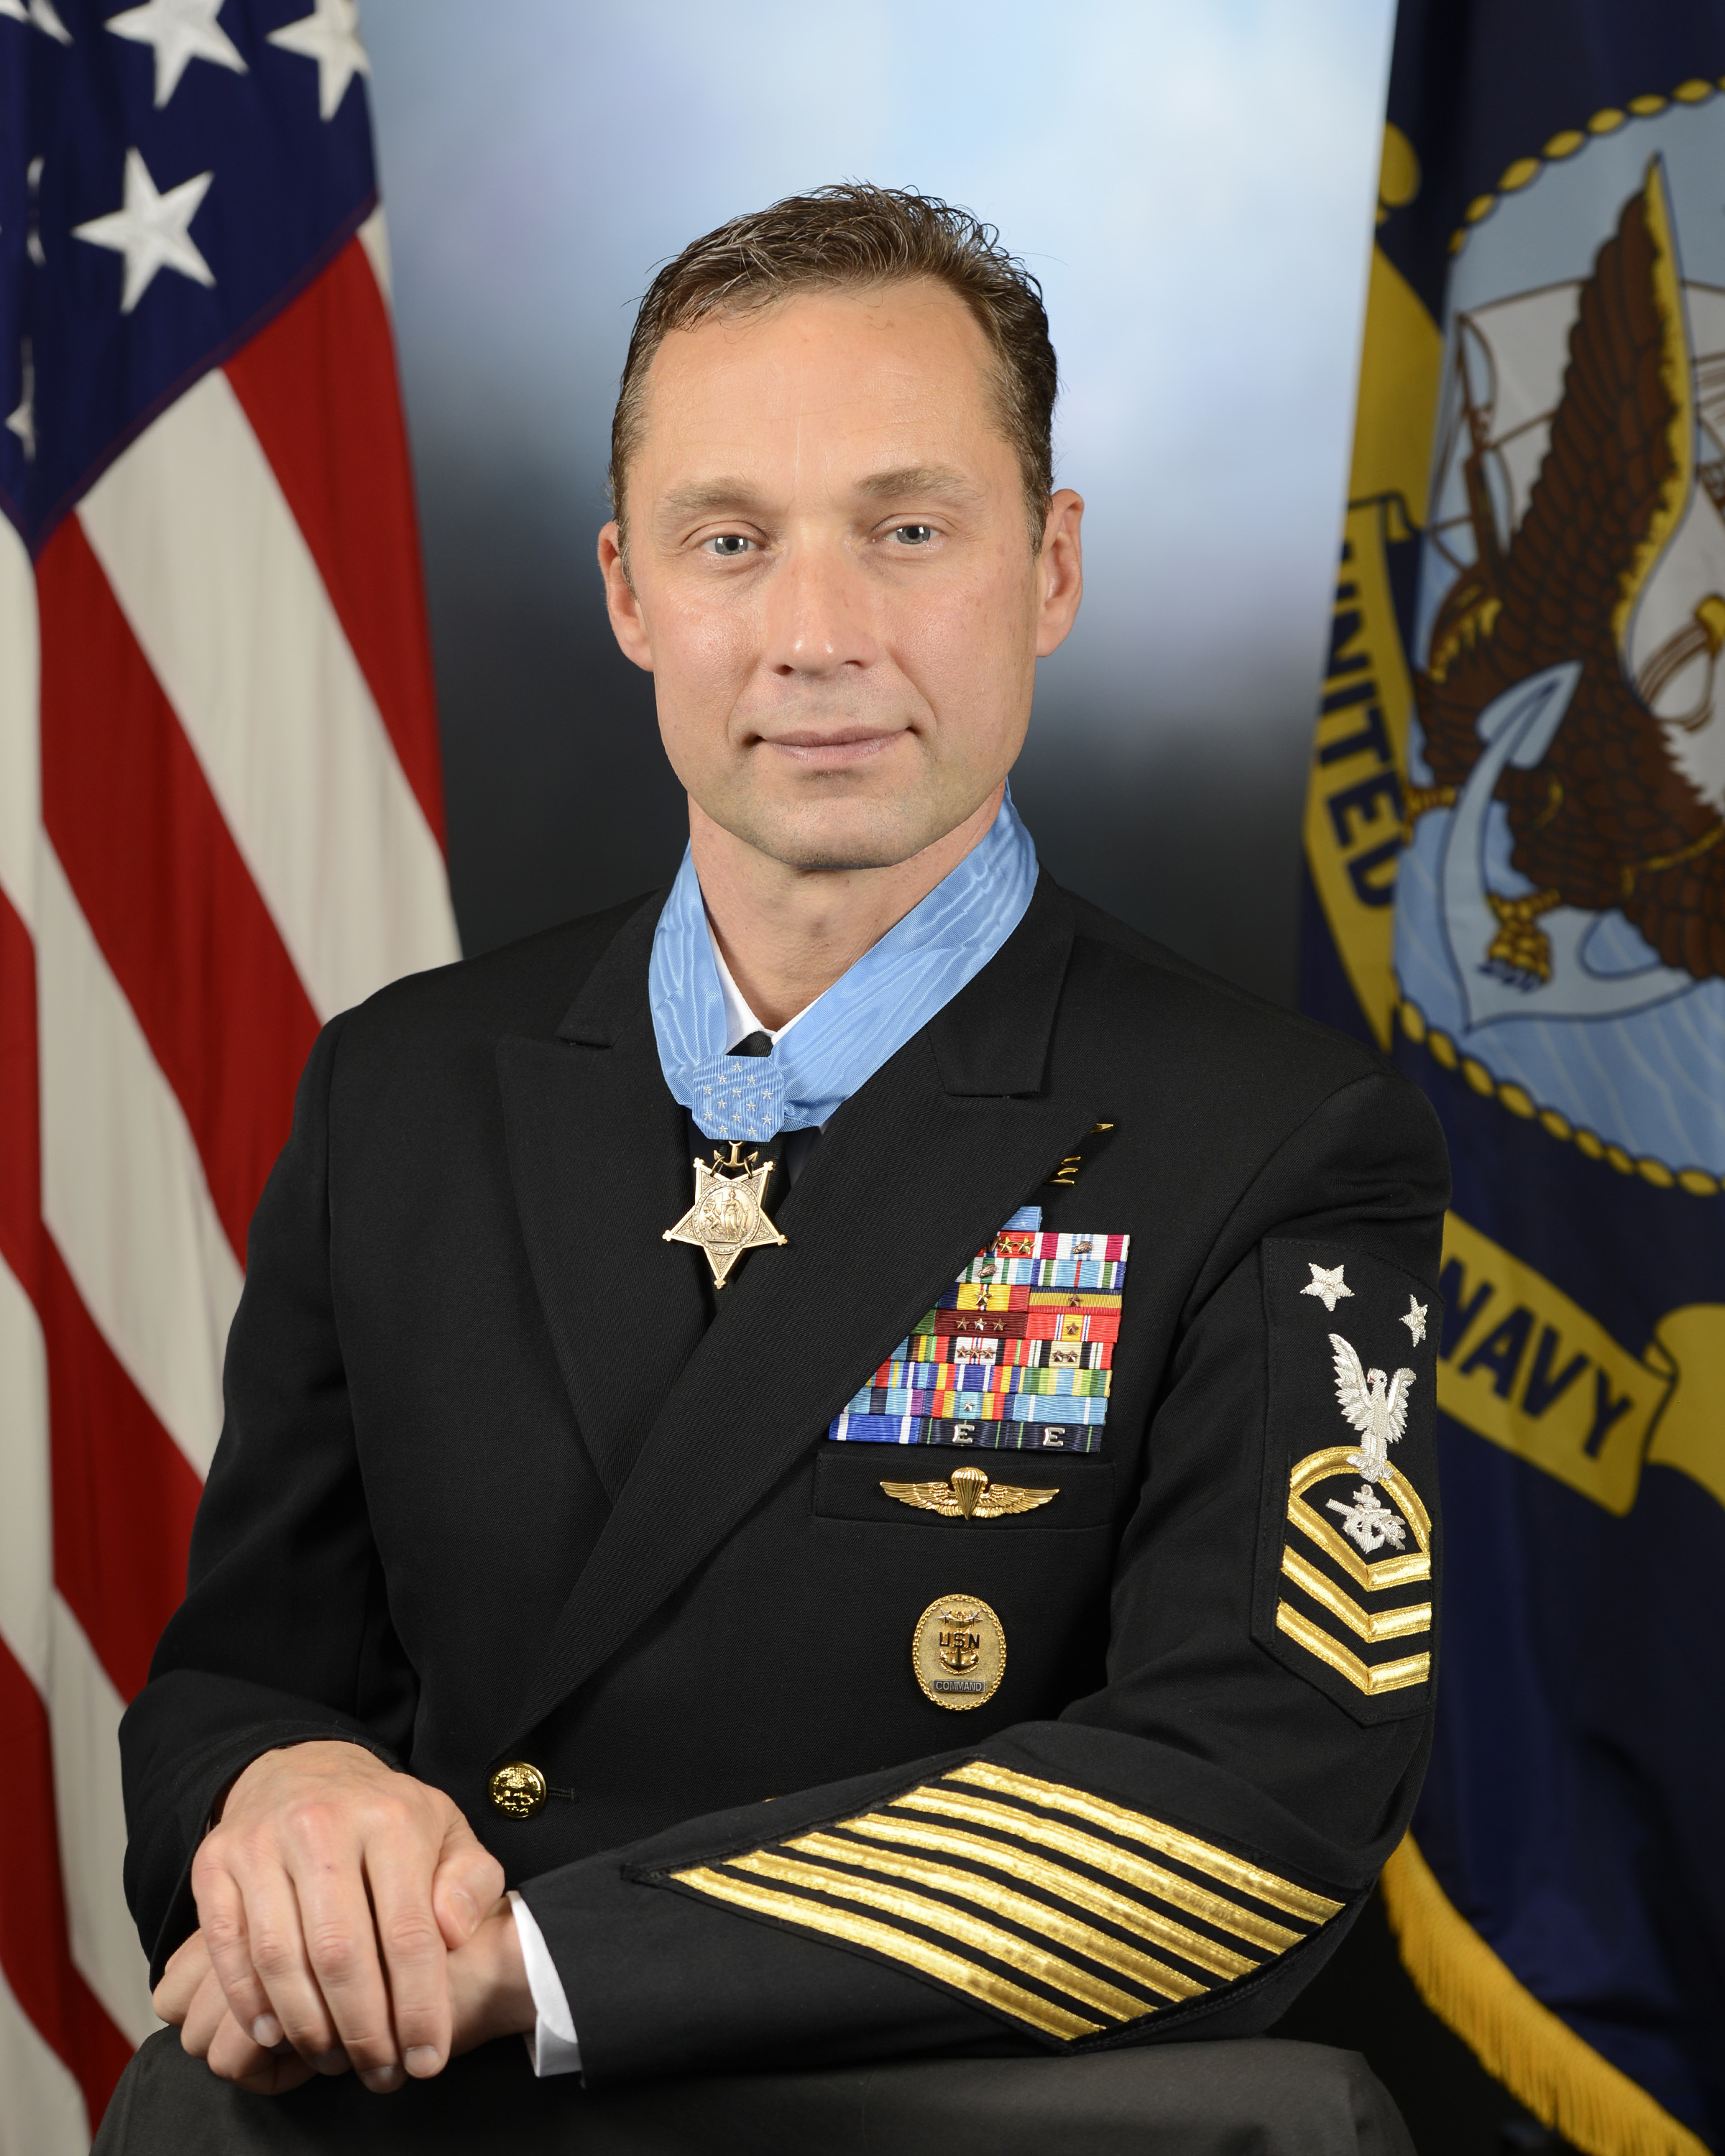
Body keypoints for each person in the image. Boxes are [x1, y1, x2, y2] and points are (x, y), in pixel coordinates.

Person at [104, 185, 1445, 2153]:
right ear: (629, 594)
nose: (819, 637)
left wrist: (541, 1964)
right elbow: (240, 1676)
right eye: (730, 542)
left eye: (909, 531)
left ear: (1051, 568)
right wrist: (282, 1797)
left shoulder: (1274, 1139)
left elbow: (1249, 1793)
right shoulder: (402, 1093)